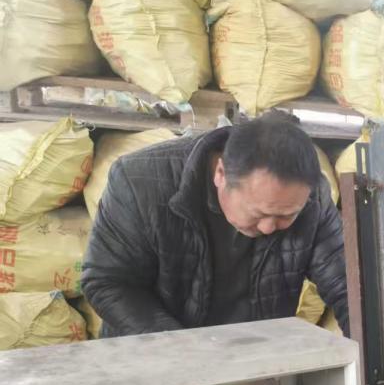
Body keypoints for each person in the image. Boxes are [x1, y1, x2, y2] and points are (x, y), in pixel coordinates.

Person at [82, 112, 348, 338]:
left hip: (253, 357)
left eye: (286, 216)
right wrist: (180, 347)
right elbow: (107, 282)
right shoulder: (140, 183)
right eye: (259, 213)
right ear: (221, 174)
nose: (269, 228)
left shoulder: (311, 199)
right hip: (154, 355)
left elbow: (347, 287)